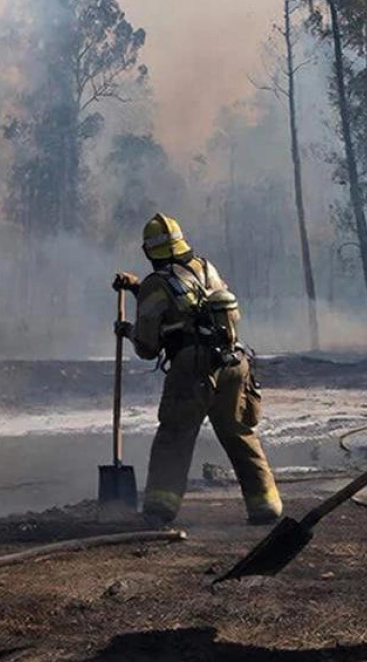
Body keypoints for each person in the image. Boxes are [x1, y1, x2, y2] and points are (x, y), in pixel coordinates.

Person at [113, 213, 282, 526]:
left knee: (175, 435)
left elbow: (148, 347)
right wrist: (138, 287)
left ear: (149, 251)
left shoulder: (156, 284)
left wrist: (127, 330)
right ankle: (266, 505)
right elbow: (190, 303)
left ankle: (159, 509)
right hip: (234, 363)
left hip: (193, 367)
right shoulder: (205, 268)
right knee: (240, 434)